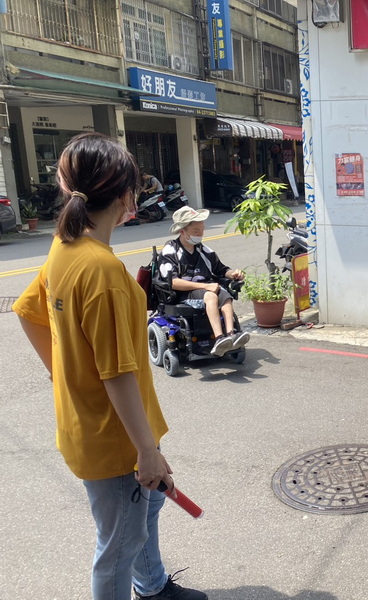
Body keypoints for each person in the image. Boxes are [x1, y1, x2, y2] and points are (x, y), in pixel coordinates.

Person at [12, 133, 207, 600]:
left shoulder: (64, 249)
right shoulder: (104, 272)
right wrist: (146, 451)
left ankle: (152, 585)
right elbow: (116, 374)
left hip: (93, 428)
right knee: (118, 548)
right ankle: (147, 584)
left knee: (145, 512)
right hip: (118, 440)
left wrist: (65, 377)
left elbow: (27, 311)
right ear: (126, 198)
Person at [158, 206, 249, 356]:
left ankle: (231, 335)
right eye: (196, 231)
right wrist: (205, 286)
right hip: (182, 294)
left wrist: (233, 274)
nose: (200, 234)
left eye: (202, 230)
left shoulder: (204, 250)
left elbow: (221, 269)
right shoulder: (170, 250)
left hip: (205, 289)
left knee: (225, 296)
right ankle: (219, 338)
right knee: (211, 295)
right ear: (182, 231)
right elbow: (173, 282)